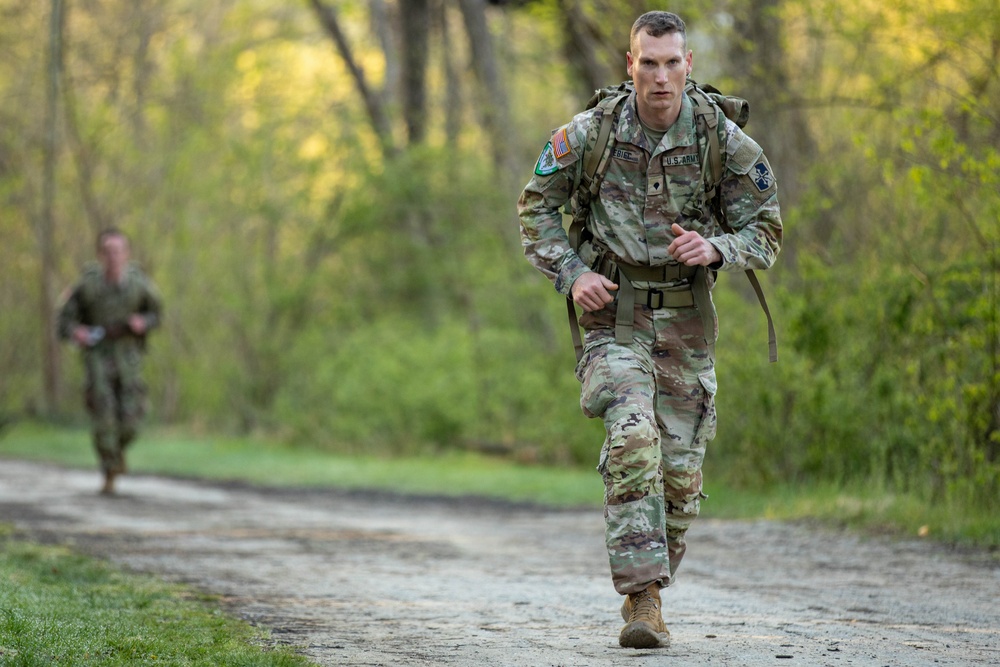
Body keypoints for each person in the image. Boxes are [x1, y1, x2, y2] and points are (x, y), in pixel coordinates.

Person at [517, 11, 782, 649]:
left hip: (688, 325)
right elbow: (536, 208)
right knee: (634, 435)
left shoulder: (723, 138)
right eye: (649, 63)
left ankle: (653, 582)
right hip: (614, 316)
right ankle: (642, 603)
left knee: (682, 482)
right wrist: (572, 272)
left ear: (688, 66)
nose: (660, 76)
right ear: (629, 65)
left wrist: (717, 248)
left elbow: (767, 228)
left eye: (672, 63)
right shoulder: (591, 134)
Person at [57, 228, 163, 495]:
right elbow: (64, 322)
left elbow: (157, 315)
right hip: (98, 357)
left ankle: (117, 454)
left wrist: (144, 323)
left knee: (133, 419)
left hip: (128, 357)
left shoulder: (140, 285)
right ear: (100, 254)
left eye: (118, 251)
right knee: (103, 417)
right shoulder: (86, 286)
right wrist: (76, 332)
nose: (113, 256)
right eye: (108, 251)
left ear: (126, 253)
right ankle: (109, 470)